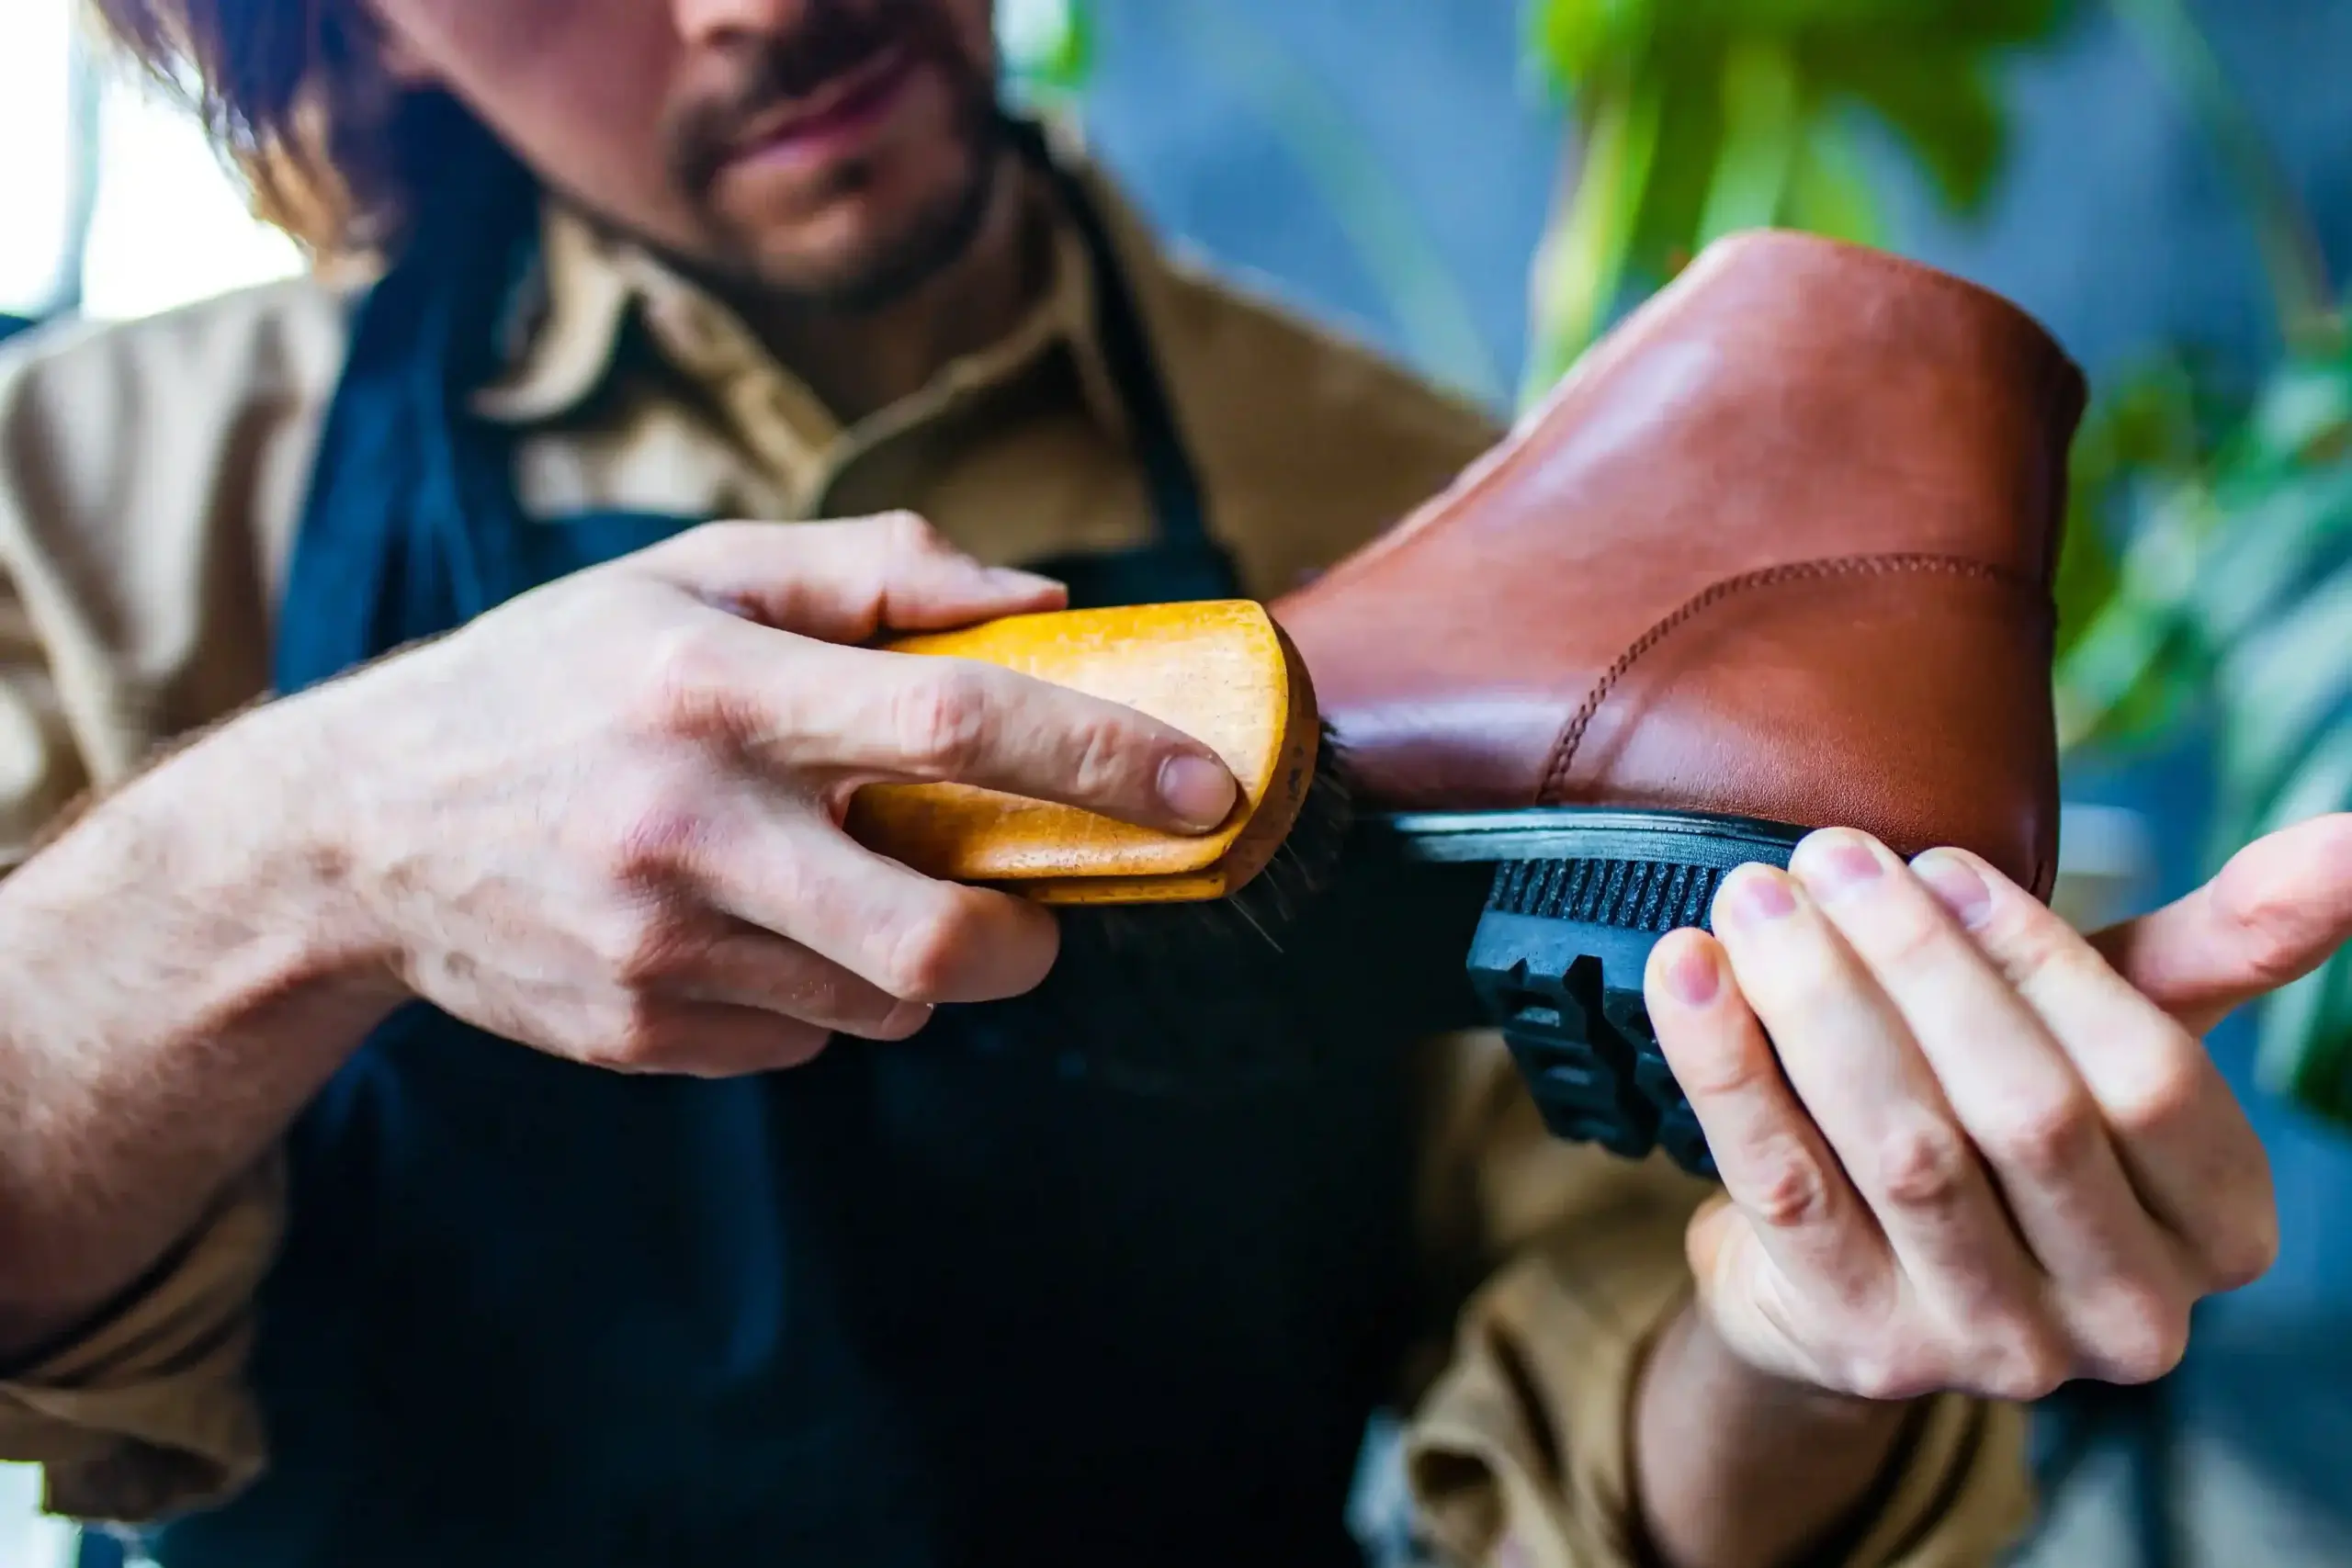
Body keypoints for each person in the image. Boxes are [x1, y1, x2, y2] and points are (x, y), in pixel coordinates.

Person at [0, 2, 2342, 1564]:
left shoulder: (1414, 484)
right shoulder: (75, 498)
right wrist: (306, 841)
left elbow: (1582, 1423)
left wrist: (1805, 1340)